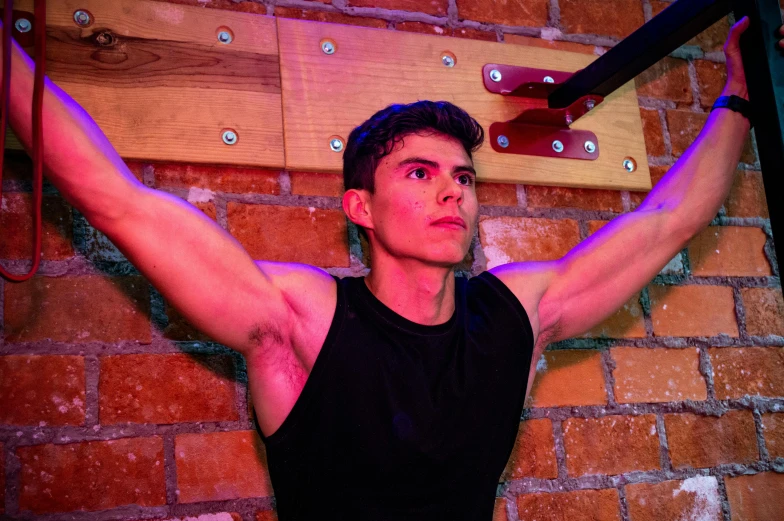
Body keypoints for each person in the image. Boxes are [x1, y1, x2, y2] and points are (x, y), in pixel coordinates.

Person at [2, 13, 778, 521]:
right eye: (419, 173)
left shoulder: (516, 314)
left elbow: (667, 220)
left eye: (463, 178)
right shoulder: (299, 322)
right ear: (360, 209)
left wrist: (741, 94)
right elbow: (119, 201)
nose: (452, 190)